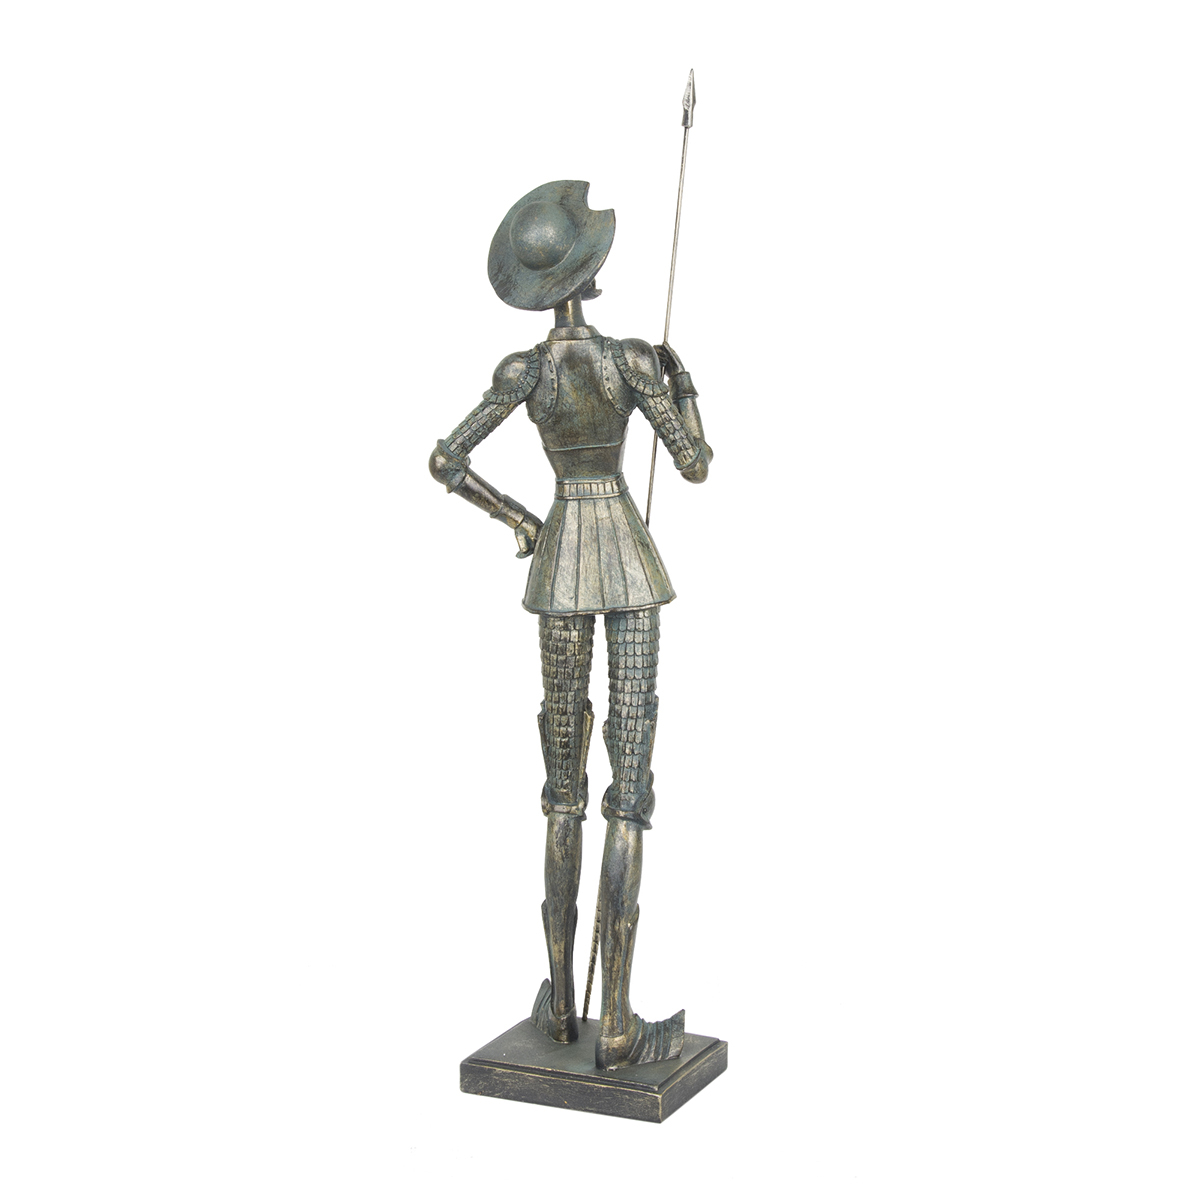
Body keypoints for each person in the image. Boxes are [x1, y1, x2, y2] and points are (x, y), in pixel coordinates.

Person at [428, 180, 712, 1069]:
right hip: (624, 554)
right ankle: (612, 1021)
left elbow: (446, 458)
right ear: (587, 274)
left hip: (560, 560)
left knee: (562, 789)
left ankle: (562, 1012)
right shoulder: (628, 362)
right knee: (627, 785)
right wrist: (684, 388)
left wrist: (522, 519)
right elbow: (694, 465)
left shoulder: (527, 372)